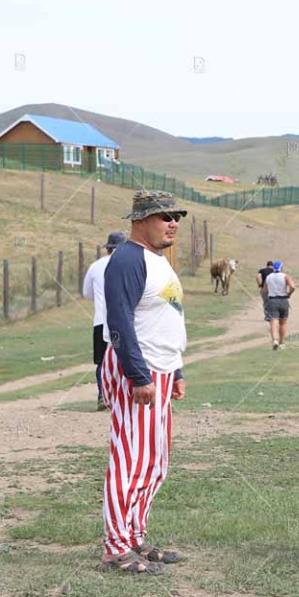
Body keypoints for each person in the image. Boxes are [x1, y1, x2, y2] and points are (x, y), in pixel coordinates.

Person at [99, 190, 188, 575]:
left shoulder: (158, 260)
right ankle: (115, 547)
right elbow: (119, 322)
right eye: (163, 216)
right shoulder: (127, 259)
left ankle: (135, 536)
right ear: (139, 221)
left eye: (176, 217)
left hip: (161, 369)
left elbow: (167, 315)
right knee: (131, 458)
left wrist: (177, 369)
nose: (172, 223)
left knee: (154, 461)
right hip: (137, 369)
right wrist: (138, 374)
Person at [82, 231, 127, 410]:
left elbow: (86, 293)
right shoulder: (129, 265)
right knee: (125, 358)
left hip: (101, 321)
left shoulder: (96, 266)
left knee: (102, 361)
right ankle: (121, 395)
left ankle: (103, 394)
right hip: (124, 321)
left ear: (108, 249)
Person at [265, 261, 295, 350]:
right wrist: (289, 294)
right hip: (283, 299)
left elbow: (265, 290)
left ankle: (275, 340)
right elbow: (293, 286)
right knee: (283, 323)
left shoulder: (269, 277)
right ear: (281, 268)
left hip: (272, 300)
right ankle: (282, 342)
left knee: (273, 321)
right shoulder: (285, 276)